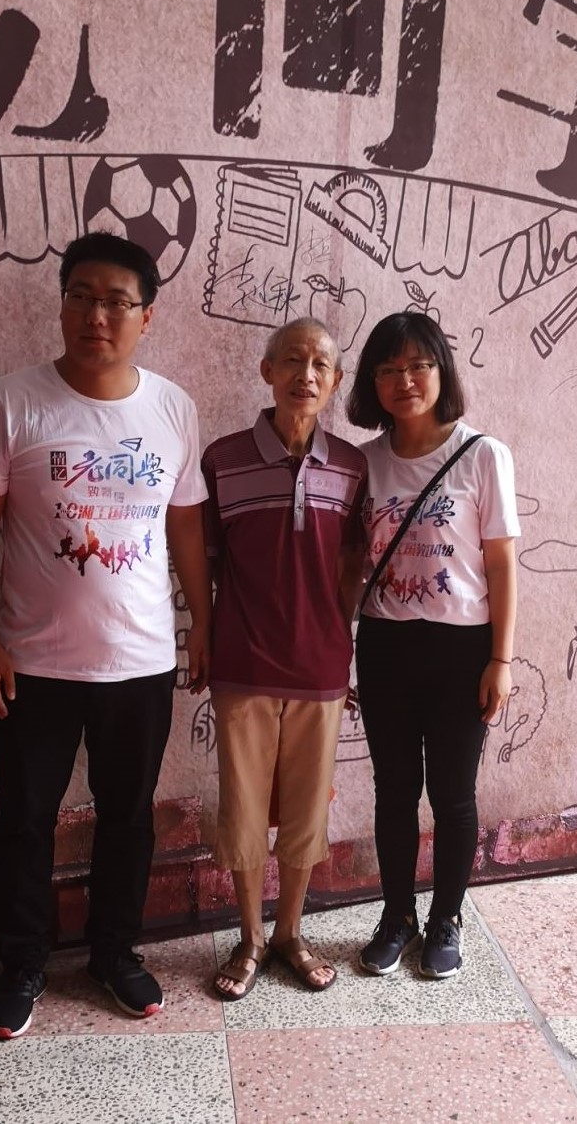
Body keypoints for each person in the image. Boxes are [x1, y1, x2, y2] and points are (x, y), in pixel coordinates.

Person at [0, 232, 211, 1038]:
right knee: (25, 817)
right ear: (63, 304)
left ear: (146, 316)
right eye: (82, 297)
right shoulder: (10, 401)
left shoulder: (173, 408)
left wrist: (202, 622)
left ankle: (114, 951)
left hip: (141, 658)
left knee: (128, 816)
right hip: (33, 660)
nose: (97, 315)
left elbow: (186, 526)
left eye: (116, 302)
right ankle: (22, 961)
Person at [347, 312, 519, 980]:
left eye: (418, 365)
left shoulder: (483, 455)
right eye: (388, 369)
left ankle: (446, 918)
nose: (405, 380)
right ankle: (397, 916)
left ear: (442, 370)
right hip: (385, 644)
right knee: (394, 789)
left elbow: (501, 564)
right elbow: (351, 563)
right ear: (371, 382)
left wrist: (501, 659)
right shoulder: (364, 462)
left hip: (462, 649)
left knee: (452, 793)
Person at [201, 318, 367, 1000]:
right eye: (293, 360)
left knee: (306, 812)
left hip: (320, 667)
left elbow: (353, 563)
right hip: (242, 661)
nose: (306, 374)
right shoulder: (223, 459)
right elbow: (206, 561)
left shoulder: (352, 467)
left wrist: (338, 629)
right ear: (267, 371)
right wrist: (203, 633)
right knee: (243, 808)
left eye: (321, 364)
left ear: (336, 381)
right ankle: (249, 936)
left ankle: (290, 932)